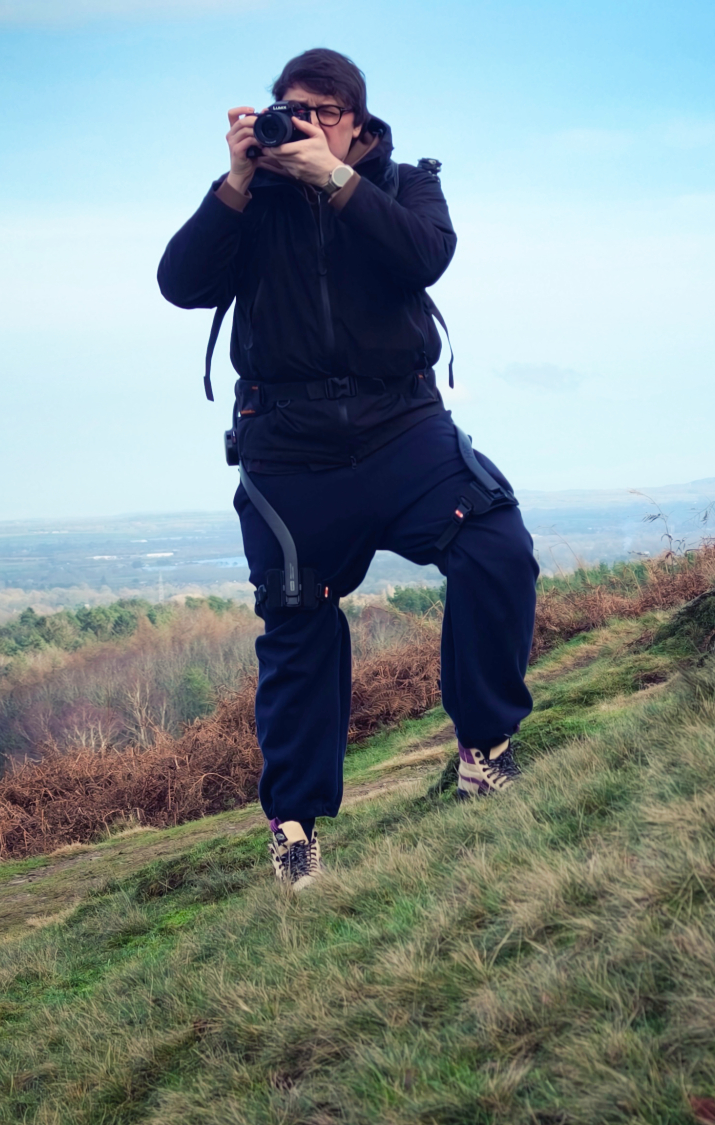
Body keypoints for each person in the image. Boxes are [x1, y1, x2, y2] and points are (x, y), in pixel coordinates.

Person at [157, 48, 539, 891]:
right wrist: (235, 183)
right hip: (288, 447)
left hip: (402, 426)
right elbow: (179, 283)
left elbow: (424, 257)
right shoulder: (250, 201)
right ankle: (293, 827)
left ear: (359, 124)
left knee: (496, 543)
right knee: (298, 623)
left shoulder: (403, 185)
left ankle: (486, 744)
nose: (308, 123)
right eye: (292, 108)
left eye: (326, 111)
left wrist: (335, 179)